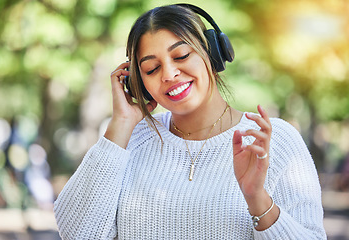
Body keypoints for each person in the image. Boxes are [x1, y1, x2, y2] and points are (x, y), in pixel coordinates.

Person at [54, 4, 327, 239]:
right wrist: (122, 122)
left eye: (181, 55)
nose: (169, 74)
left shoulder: (272, 140)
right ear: (138, 81)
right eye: (151, 68)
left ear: (212, 53)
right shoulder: (130, 139)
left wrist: (258, 200)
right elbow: (78, 234)